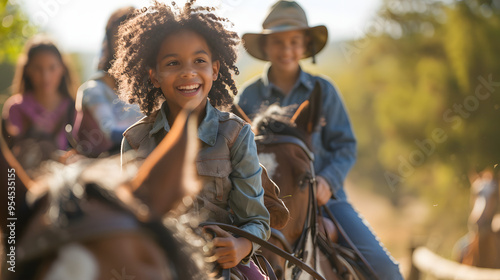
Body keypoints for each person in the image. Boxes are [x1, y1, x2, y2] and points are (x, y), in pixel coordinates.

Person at [236, 1, 403, 279]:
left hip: (325, 199)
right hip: (264, 201)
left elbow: (345, 146)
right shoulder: (248, 96)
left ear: (305, 45)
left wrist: (326, 181)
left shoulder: (324, 91)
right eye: (278, 42)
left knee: (387, 270)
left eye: (294, 41)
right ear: (266, 47)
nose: (287, 49)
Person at [110, 1, 270, 278]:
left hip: (225, 266)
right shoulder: (135, 141)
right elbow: (131, 223)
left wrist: (241, 245)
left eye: (199, 61)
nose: (188, 72)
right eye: (173, 63)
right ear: (154, 75)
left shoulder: (236, 135)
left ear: (215, 70)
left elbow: (256, 220)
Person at [73, 6, 143, 157]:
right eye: (121, 39)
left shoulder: (148, 91)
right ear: (110, 43)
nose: (129, 47)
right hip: (103, 169)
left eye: (135, 38)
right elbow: (110, 133)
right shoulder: (93, 90)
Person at [2, 35, 77, 170]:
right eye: (37, 68)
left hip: (62, 185)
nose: (45, 76)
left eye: (52, 68)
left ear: (62, 69)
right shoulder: (15, 108)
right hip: (22, 184)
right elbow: (10, 158)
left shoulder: (74, 108)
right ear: (27, 70)